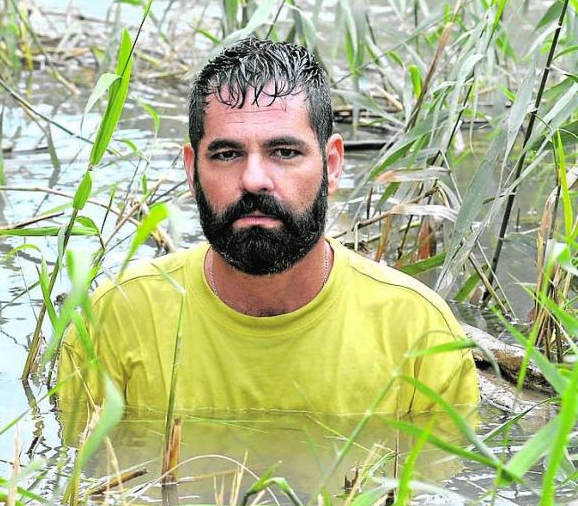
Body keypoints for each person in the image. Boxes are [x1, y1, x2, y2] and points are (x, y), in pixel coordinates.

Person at [59, 37, 478, 420]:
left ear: (332, 166)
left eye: (284, 152)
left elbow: (433, 492)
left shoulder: (418, 332)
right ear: (192, 171)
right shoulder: (117, 318)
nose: (254, 179)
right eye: (226, 154)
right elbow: (85, 485)